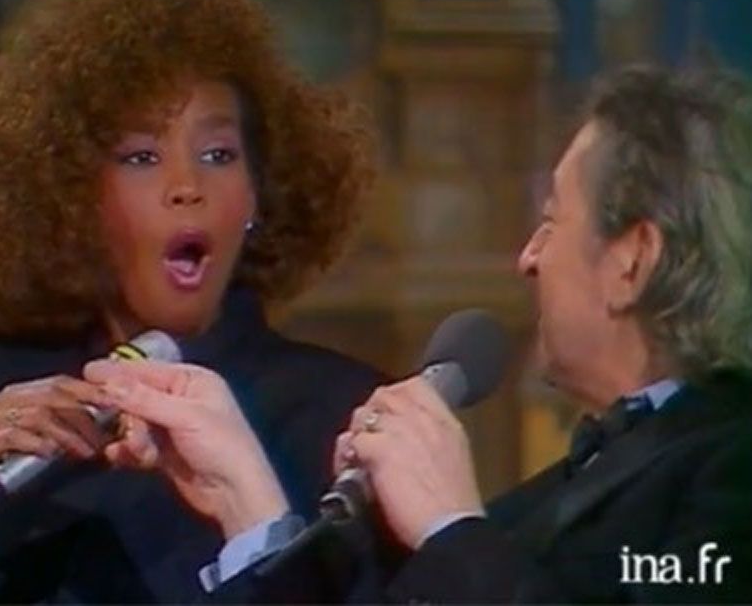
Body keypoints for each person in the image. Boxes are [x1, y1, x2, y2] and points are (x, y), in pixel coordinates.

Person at [89, 65, 752, 603]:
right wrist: (246, 498)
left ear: (633, 260)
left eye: (552, 222)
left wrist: (448, 524)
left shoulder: (733, 469)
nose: (528, 258)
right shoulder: (576, 479)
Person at [0, 0, 384, 603]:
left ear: (257, 196)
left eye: (218, 154)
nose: (186, 186)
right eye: (140, 157)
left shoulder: (342, 411)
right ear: (76, 196)